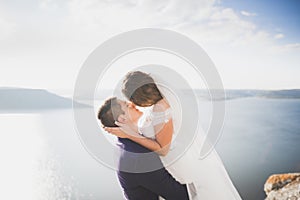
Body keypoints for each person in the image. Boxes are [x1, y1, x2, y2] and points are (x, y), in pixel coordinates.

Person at [105, 71, 242, 200]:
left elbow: (163, 149)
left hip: (176, 166)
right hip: (171, 165)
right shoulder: (154, 108)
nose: (132, 103)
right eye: (128, 103)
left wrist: (129, 135)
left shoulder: (161, 108)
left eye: (130, 99)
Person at [97, 97, 191, 200]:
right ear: (122, 119)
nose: (133, 104)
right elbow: (179, 195)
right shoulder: (138, 157)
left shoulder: (125, 144)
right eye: (127, 105)